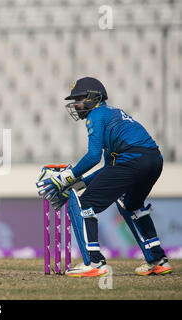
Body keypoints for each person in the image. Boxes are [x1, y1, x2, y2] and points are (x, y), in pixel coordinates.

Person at [36, 77, 172, 277]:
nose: (76, 105)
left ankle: (94, 263)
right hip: (153, 160)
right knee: (130, 204)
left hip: (132, 160)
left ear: (93, 97)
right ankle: (158, 259)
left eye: (80, 99)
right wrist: (80, 183)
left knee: (85, 204)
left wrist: (65, 178)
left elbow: (93, 157)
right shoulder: (113, 115)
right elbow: (110, 168)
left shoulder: (96, 115)